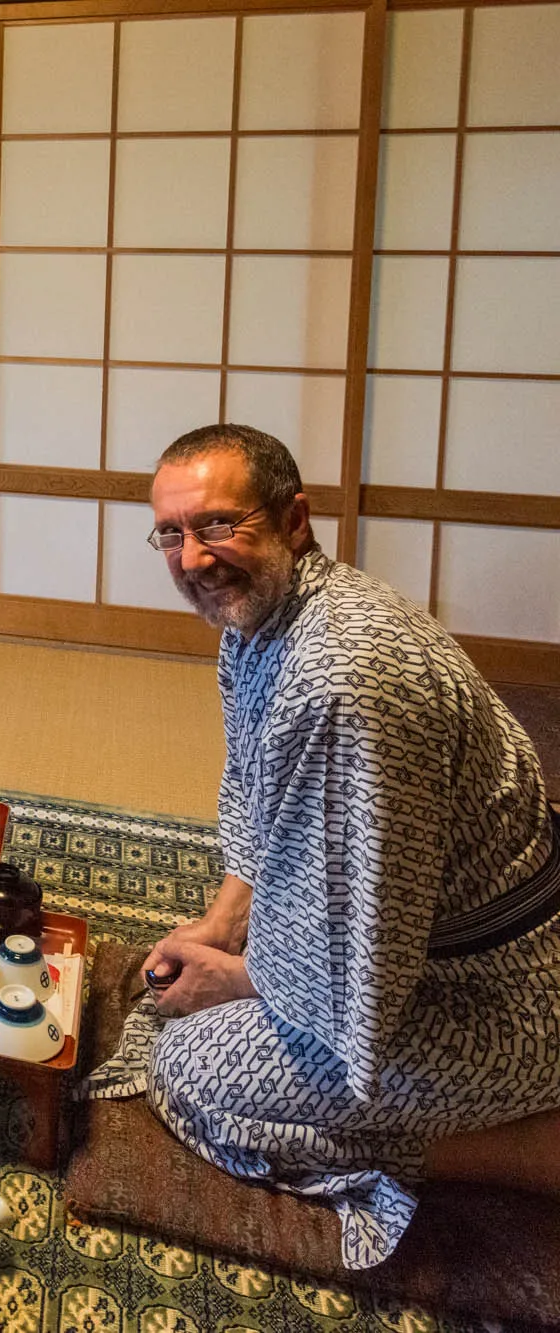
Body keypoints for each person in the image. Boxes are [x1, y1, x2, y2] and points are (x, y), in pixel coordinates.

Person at [86, 423, 560, 1268]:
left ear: (294, 519)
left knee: (192, 1075)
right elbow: (253, 801)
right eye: (172, 533)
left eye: (219, 524)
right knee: (198, 999)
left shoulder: (341, 679)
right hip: (429, 955)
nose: (193, 558)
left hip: (499, 1000)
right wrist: (222, 925)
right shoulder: (266, 621)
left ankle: (522, 1147)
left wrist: (236, 981)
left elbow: (360, 975)